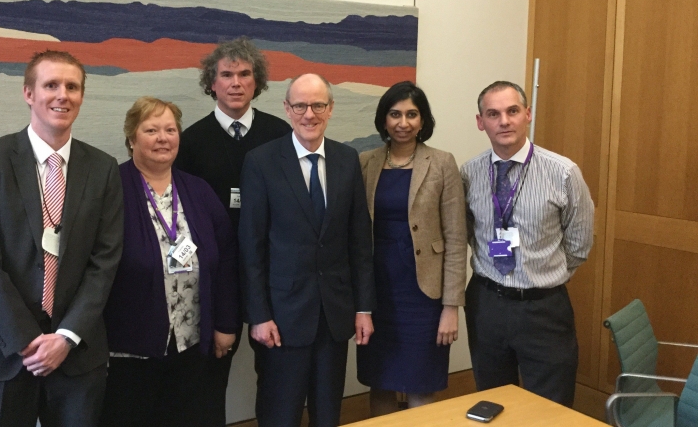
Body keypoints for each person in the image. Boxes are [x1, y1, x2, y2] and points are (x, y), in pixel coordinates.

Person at [0, 50, 124, 427]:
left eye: (72, 87)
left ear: (82, 96)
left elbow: (105, 261)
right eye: (51, 85)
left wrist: (65, 337)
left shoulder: (102, 168)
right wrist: (28, 340)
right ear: (28, 94)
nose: (62, 95)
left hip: (76, 352)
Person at [239, 73, 376, 427]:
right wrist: (259, 314)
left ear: (330, 109)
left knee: (328, 413)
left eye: (318, 105)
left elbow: (360, 241)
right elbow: (251, 247)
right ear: (287, 109)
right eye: (300, 105)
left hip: (335, 314)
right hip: (281, 318)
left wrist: (363, 308)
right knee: (279, 414)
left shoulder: (348, 160)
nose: (309, 114)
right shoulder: (261, 161)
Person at [100, 96, 240, 427]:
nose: (163, 138)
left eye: (170, 129)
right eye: (151, 129)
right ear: (132, 138)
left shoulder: (198, 190)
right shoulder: (110, 189)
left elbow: (226, 260)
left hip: (192, 342)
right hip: (128, 349)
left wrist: (226, 325)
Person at [174, 37, 290, 426]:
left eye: (245, 74)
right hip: (214, 277)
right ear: (212, 83)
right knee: (208, 380)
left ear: (257, 82)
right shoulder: (189, 141)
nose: (236, 82)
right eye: (226, 74)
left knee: (276, 378)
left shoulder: (281, 135)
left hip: (273, 276)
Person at [461, 80, 594, 407]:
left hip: (543, 309)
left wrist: (542, 275)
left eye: (512, 111)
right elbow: (468, 232)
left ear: (527, 115)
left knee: (548, 408)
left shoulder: (563, 172)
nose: (504, 121)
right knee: (493, 402)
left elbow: (579, 243)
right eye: (493, 114)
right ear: (481, 122)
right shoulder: (469, 173)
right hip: (486, 304)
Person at [356, 81, 467, 416]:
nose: (403, 122)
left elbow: (456, 239)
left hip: (424, 295)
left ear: (422, 120)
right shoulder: (365, 162)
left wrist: (451, 306)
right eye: (395, 114)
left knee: (420, 381)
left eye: (411, 114)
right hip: (378, 291)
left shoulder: (442, 162)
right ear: (384, 119)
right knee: (381, 380)